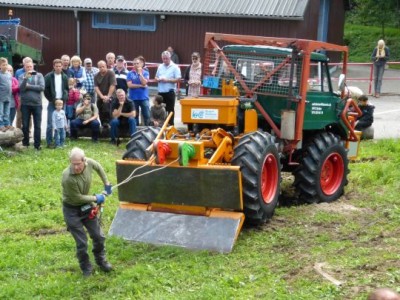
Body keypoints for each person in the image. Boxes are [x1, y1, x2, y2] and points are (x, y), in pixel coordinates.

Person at [61, 147, 113, 276]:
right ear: (70, 162)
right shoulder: (67, 177)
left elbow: (98, 167)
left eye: (79, 164)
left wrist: (106, 183)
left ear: (84, 160)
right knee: (82, 242)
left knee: (98, 236)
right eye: (73, 164)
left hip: (86, 206)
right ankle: (86, 267)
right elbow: (77, 197)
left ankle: (101, 260)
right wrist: (97, 198)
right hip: (71, 210)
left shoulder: (89, 163)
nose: (76, 167)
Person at [18, 61, 45, 150]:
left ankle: (37, 145)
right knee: (25, 125)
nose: (29, 68)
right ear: (24, 67)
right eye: (27, 67)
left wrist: (29, 86)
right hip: (25, 104)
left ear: (33, 66)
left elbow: (41, 87)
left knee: (37, 125)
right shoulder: (21, 76)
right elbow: (21, 89)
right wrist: (26, 79)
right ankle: (25, 143)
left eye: (30, 66)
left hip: (37, 104)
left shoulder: (39, 75)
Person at [44, 58, 69, 148]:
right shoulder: (48, 76)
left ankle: (60, 141)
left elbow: (66, 89)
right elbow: (45, 89)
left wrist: (64, 98)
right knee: (50, 123)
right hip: (52, 102)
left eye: (60, 66)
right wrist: (51, 99)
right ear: (53, 66)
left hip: (61, 102)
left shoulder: (65, 77)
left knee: (61, 122)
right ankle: (49, 141)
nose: (58, 68)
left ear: (62, 66)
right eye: (56, 66)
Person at [155, 51, 181, 125]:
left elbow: (178, 79)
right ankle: (161, 124)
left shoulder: (175, 67)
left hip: (170, 91)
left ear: (170, 58)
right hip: (160, 92)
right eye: (163, 59)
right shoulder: (160, 66)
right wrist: (157, 79)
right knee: (160, 109)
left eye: (166, 58)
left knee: (170, 110)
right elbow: (156, 77)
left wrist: (167, 80)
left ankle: (170, 125)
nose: (165, 60)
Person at [127, 56, 150, 126]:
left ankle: (148, 129)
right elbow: (129, 85)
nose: (136, 65)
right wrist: (140, 86)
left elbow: (144, 83)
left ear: (141, 64)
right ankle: (136, 130)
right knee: (135, 116)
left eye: (137, 63)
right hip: (133, 98)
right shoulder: (130, 73)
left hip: (144, 97)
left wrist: (140, 74)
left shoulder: (145, 73)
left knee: (146, 115)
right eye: (134, 64)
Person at [94, 60, 117, 127]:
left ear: (106, 66)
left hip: (111, 95)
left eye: (103, 66)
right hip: (100, 96)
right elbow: (96, 87)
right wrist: (101, 96)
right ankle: (103, 125)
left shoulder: (111, 73)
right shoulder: (96, 75)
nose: (102, 68)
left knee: (107, 107)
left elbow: (112, 85)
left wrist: (108, 96)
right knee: (99, 108)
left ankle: (108, 123)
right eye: (100, 67)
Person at [0, 57, 12, 132]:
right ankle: (1, 125)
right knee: (0, 112)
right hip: (1, 97)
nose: (5, 66)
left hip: (8, 96)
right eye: (3, 65)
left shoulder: (9, 74)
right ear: (0, 66)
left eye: (6, 64)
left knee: (7, 112)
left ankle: (7, 123)